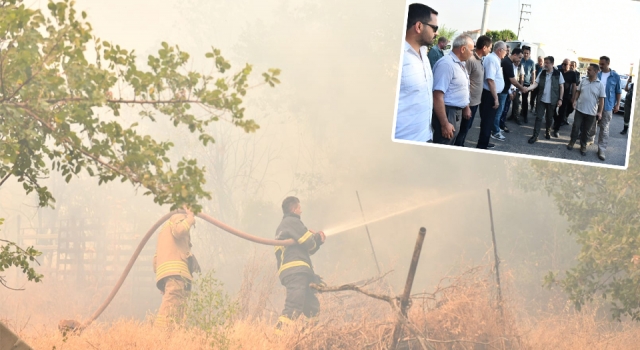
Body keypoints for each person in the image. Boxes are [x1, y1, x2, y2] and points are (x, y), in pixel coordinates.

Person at [274, 196, 326, 332]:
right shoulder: (291, 221)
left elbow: (309, 247)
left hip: (298, 271)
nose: (301, 211)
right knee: (294, 305)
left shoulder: (287, 227)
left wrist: (317, 241)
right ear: (294, 209)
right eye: (299, 208)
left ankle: (309, 337)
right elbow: (308, 242)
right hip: (295, 271)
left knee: (312, 307)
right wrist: (315, 237)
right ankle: (277, 339)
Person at [394, 4, 439, 142]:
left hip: (425, 136)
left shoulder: (424, 54)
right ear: (419, 26)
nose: (436, 33)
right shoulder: (396, 58)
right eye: (434, 28)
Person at [153, 206, 199, 328]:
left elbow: (156, 259)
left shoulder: (164, 229)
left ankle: (170, 338)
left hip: (170, 274)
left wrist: (163, 281)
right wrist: (190, 217)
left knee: (176, 309)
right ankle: (158, 336)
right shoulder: (178, 217)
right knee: (170, 309)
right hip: (177, 273)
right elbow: (179, 231)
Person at [431, 34, 474, 144]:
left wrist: (466, 106)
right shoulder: (447, 64)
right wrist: (445, 123)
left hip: (455, 113)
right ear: (463, 49)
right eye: (471, 50)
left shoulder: (460, 64)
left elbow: (461, 88)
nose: (472, 53)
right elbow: (437, 96)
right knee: (443, 145)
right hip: (448, 112)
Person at [455, 35, 492, 147]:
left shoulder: (480, 60)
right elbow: (464, 81)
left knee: (467, 127)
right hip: (469, 102)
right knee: (463, 128)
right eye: (490, 47)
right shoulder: (470, 60)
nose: (490, 50)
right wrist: (466, 105)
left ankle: (460, 145)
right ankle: (457, 148)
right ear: (484, 47)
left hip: (475, 101)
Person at [586, 56, 622, 161]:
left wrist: (618, 104)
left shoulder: (615, 76)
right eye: (599, 64)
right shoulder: (598, 74)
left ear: (608, 63)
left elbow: (618, 91)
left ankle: (601, 149)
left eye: (602, 64)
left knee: (604, 128)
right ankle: (590, 139)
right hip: (595, 104)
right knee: (592, 124)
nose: (600, 66)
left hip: (608, 106)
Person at [567, 64, 605, 156]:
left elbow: (601, 99)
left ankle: (583, 146)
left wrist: (599, 112)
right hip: (580, 110)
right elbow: (578, 91)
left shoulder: (600, 85)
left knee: (586, 131)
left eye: (589, 70)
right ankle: (572, 142)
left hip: (591, 112)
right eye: (587, 69)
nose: (587, 71)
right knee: (576, 126)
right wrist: (575, 100)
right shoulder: (583, 81)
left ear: (596, 71)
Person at [525, 56, 564, 144]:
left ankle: (548, 131)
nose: (545, 64)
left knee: (549, 118)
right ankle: (535, 136)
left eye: (547, 63)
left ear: (552, 64)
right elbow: (535, 83)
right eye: (545, 62)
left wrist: (560, 99)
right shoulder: (542, 73)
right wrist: (527, 89)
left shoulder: (558, 74)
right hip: (541, 100)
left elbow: (561, 86)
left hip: (552, 101)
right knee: (538, 118)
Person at [477, 41, 507, 149]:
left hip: (492, 93)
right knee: (487, 121)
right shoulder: (492, 59)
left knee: (489, 121)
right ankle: (482, 145)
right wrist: (495, 98)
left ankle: (485, 141)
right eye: (505, 50)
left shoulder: (495, 59)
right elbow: (490, 80)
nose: (506, 53)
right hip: (489, 94)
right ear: (500, 50)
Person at [492, 48, 526, 141]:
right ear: (514, 54)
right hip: (502, 91)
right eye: (519, 57)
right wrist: (521, 88)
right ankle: (495, 131)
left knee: (500, 111)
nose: (520, 60)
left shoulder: (508, 62)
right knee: (499, 112)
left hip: (504, 90)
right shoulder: (507, 63)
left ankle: (496, 128)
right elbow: (513, 80)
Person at [551, 59, 578, 137]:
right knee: (552, 110)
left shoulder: (572, 74)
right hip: (555, 94)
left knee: (561, 113)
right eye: (562, 64)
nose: (563, 65)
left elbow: (574, 86)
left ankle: (556, 129)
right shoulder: (559, 71)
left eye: (565, 64)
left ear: (570, 65)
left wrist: (573, 97)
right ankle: (556, 121)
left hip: (565, 96)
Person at [518, 46, 536, 124]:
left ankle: (525, 116)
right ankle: (514, 114)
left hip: (527, 84)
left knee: (525, 101)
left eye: (527, 53)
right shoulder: (520, 60)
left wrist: (533, 83)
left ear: (529, 54)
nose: (525, 54)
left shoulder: (532, 62)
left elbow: (533, 73)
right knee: (516, 100)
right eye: (524, 53)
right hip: (518, 83)